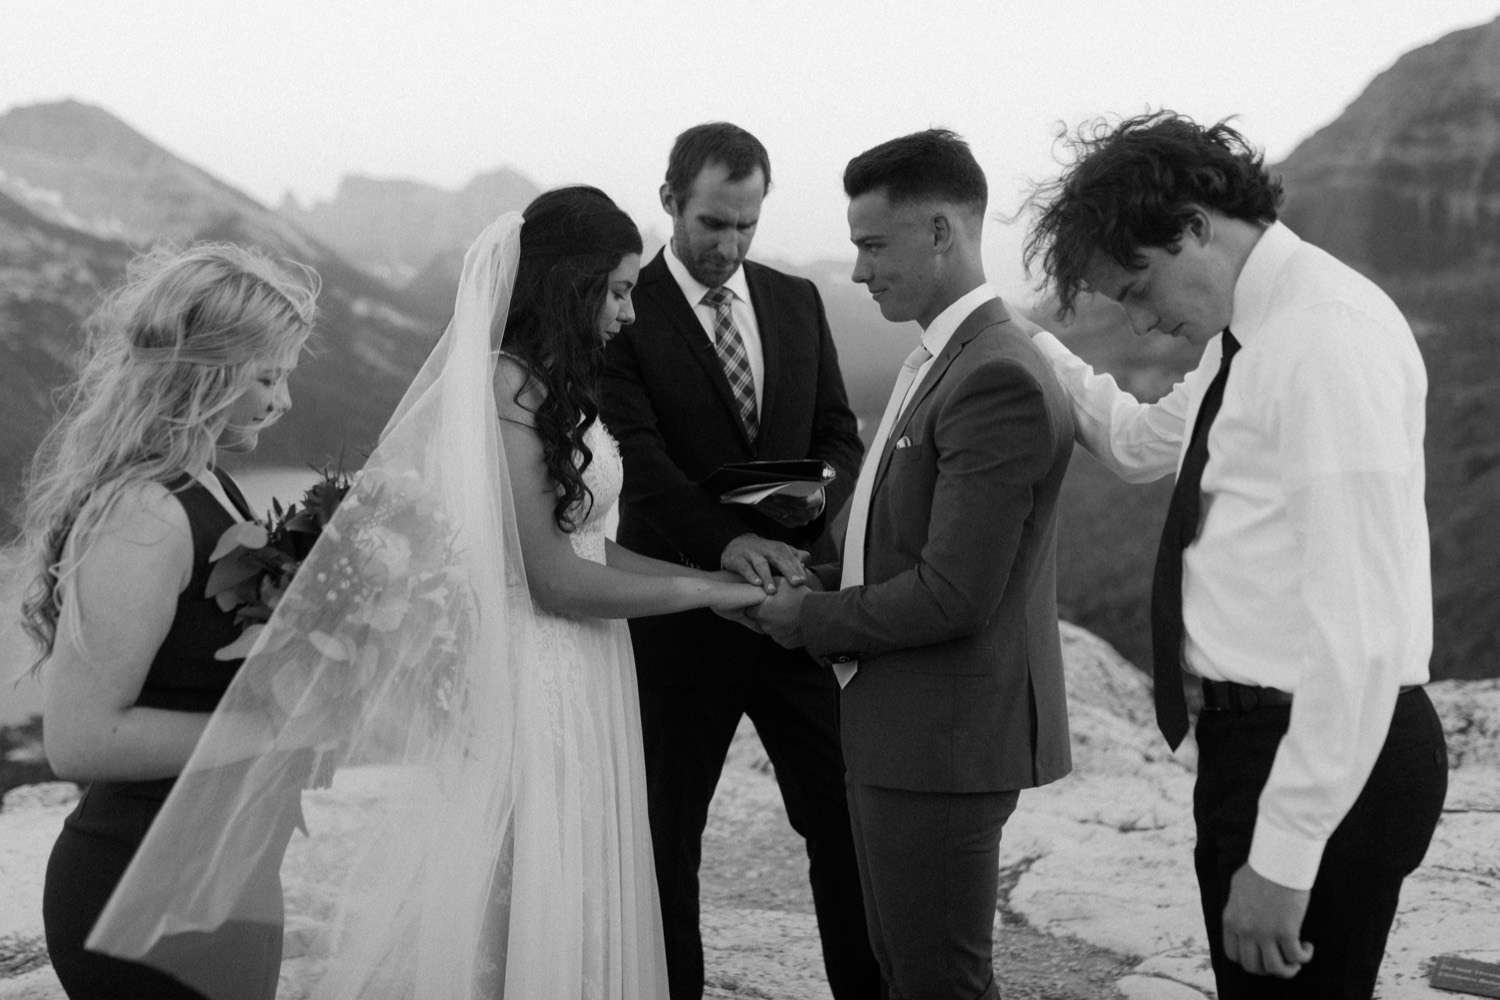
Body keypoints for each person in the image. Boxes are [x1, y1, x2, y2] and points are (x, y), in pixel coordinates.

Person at [83, 186, 767, 999]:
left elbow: (588, 544)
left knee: (567, 881)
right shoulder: (505, 386)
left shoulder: (544, 389)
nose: (627, 314)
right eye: (618, 291)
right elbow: (554, 577)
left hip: (584, 666)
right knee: (528, 894)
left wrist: (715, 579)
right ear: (568, 285)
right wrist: (704, 594)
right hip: (536, 667)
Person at [1021, 112, 1448, 998]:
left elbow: (1363, 628)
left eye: (1137, 287)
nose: (1140, 323)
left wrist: (1285, 855)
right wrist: (1028, 347)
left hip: (1323, 756)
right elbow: (1141, 445)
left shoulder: (1324, 337)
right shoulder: (1249, 338)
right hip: (1254, 746)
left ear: (1193, 225)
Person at [748, 129, 1074, 1000]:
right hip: (907, 735)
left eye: (872, 245)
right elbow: (903, 545)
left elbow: (955, 594)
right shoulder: (944, 358)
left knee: (938, 983)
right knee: (906, 973)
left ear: (940, 232)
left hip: (944, 743)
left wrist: (806, 620)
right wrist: (807, 580)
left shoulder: (991, 376)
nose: (858, 272)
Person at [600, 122, 875, 999]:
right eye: (713, 222)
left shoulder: (795, 300)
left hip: (791, 617)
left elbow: (838, 431)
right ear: (670, 202)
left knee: (845, 823)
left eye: (746, 225)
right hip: (678, 621)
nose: (729, 244)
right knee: (663, 842)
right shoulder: (622, 307)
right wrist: (727, 542)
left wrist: (815, 501)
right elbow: (635, 458)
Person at [15, 242, 318, 999]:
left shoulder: (212, 483)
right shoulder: (145, 511)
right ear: (204, 376)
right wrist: (283, 728)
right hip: (140, 890)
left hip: (218, 870)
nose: (283, 402)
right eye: (266, 377)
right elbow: (80, 739)